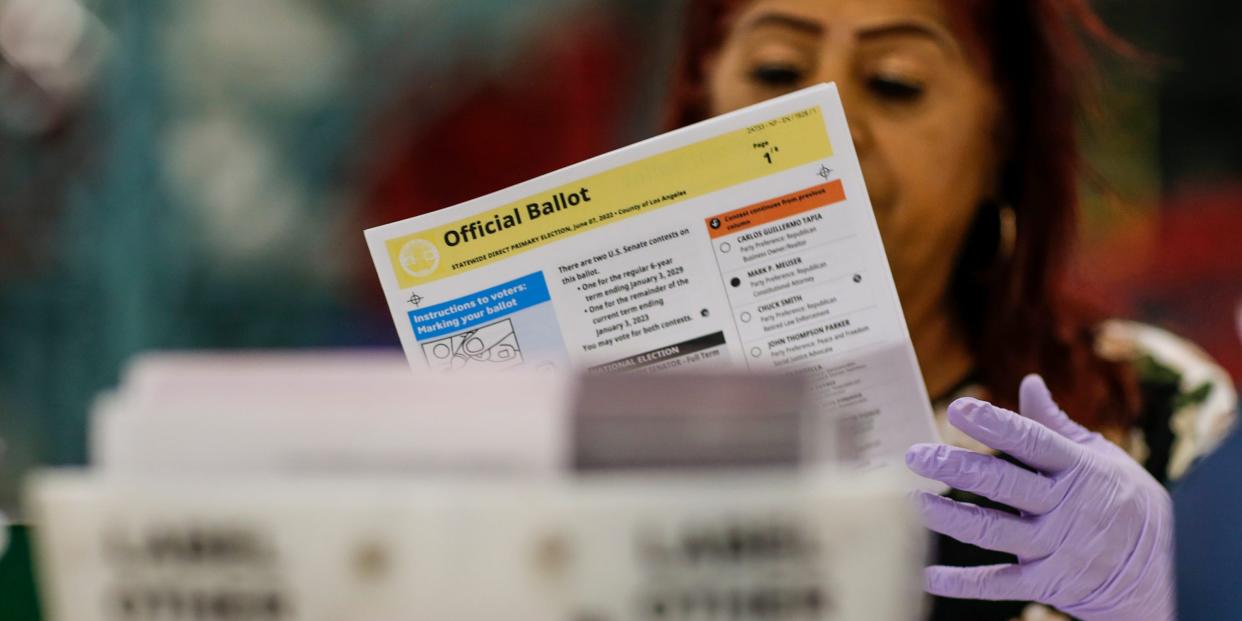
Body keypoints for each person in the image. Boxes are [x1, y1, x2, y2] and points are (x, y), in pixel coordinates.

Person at [666, 1, 1237, 619]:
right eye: (776, 72)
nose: (820, 128)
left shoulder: (1151, 407)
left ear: (1001, 145)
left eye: (895, 83)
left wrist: (1172, 595)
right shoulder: (570, 419)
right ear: (702, 107)